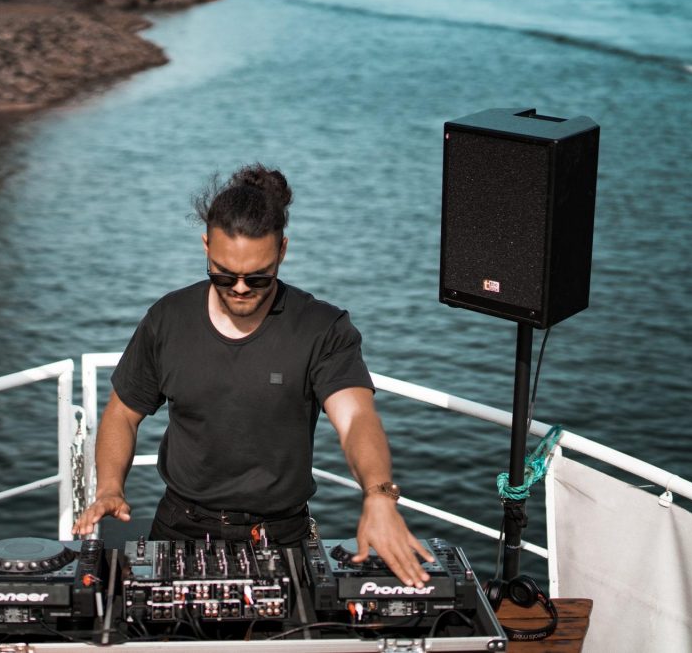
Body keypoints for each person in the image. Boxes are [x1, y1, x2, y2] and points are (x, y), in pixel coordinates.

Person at [72, 164, 432, 586]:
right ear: (206, 246)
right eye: (224, 274)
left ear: (282, 251)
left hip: (281, 534)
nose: (240, 288)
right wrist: (110, 487)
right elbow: (122, 414)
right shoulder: (167, 319)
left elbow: (355, 419)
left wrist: (379, 494)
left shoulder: (321, 328)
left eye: (258, 277)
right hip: (178, 526)